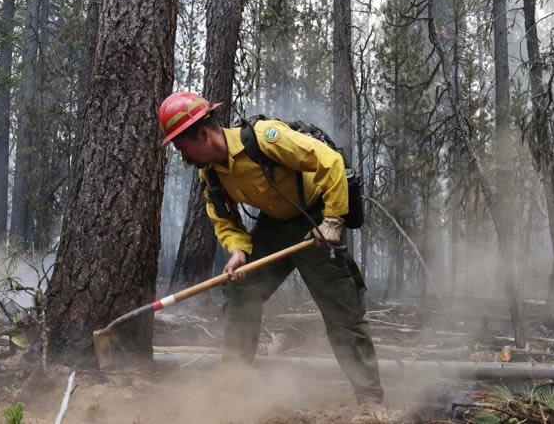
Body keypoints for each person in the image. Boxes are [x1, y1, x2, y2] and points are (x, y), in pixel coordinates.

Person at [159, 91, 388, 422]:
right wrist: (238, 250)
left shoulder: (267, 138)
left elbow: (330, 162)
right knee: (240, 294)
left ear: (202, 134)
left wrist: (334, 220)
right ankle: (234, 390)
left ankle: (369, 399)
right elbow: (224, 220)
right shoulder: (209, 173)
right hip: (273, 229)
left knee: (343, 311)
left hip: (314, 222)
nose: (181, 155)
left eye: (181, 146)